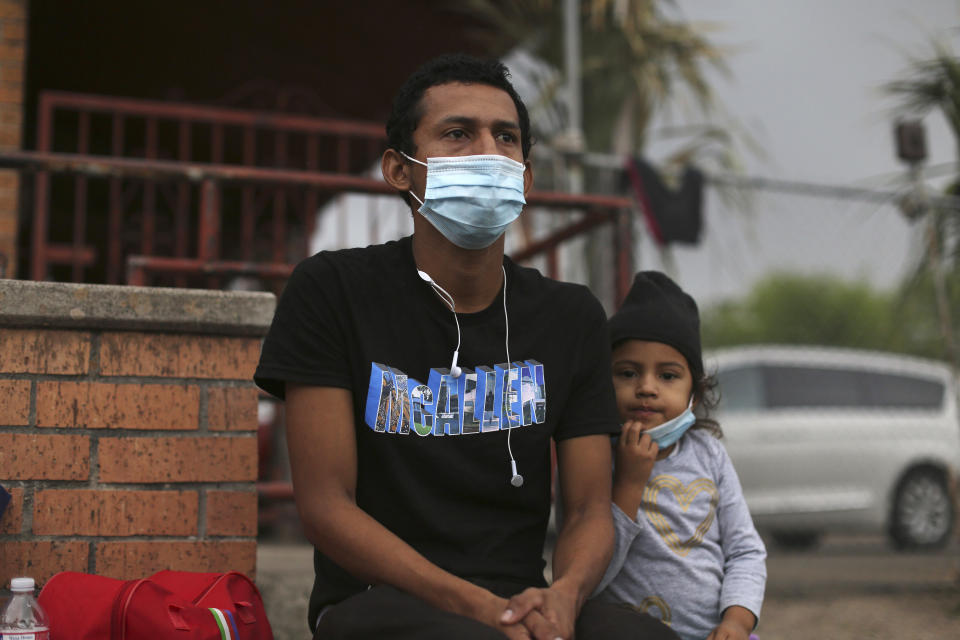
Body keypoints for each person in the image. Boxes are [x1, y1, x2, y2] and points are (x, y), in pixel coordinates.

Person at [254, 54, 678, 640]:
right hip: (378, 603)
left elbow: (586, 510)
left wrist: (564, 596)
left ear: (526, 179)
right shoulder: (332, 292)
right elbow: (327, 507)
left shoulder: (570, 315)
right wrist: (479, 608)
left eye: (506, 137)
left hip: (518, 599)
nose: (487, 150)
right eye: (458, 133)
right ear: (400, 171)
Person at [592, 271, 767, 640]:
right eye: (627, 372)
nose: (646, 388)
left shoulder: (710, 455)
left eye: (668, 376)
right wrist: (628, 482)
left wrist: (736, 621)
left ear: (695, 395)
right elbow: (589, 577)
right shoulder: (593, 457)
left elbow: (745, 552)